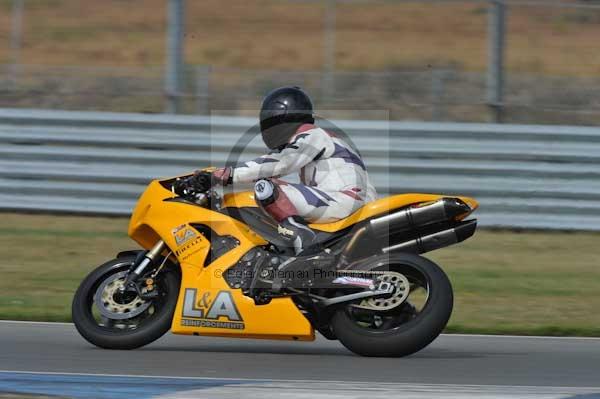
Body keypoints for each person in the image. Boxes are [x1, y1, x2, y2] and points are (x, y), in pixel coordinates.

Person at [211, 86, 377, 256]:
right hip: (353, 202)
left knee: (266, 188)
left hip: (345, 201)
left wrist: (230, 174)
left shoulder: (313, 135)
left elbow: (282, 162)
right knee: (275, 186)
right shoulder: (327, 139)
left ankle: (302, 238)